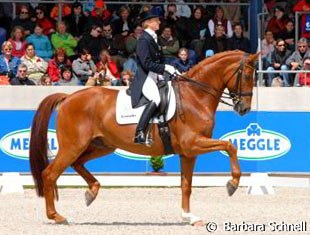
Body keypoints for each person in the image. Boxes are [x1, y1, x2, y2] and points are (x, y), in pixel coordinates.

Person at [130, 11, 180, 145]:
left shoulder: (154, 38)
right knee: (156, 99)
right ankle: (139, 132)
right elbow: (146, 63)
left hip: (155, 75)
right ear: (148, 23)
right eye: (156, 20)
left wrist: (168, 69)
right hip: (145, 76)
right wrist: (165, 68)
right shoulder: (143, 39)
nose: (159, 22)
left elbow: (160, 59)